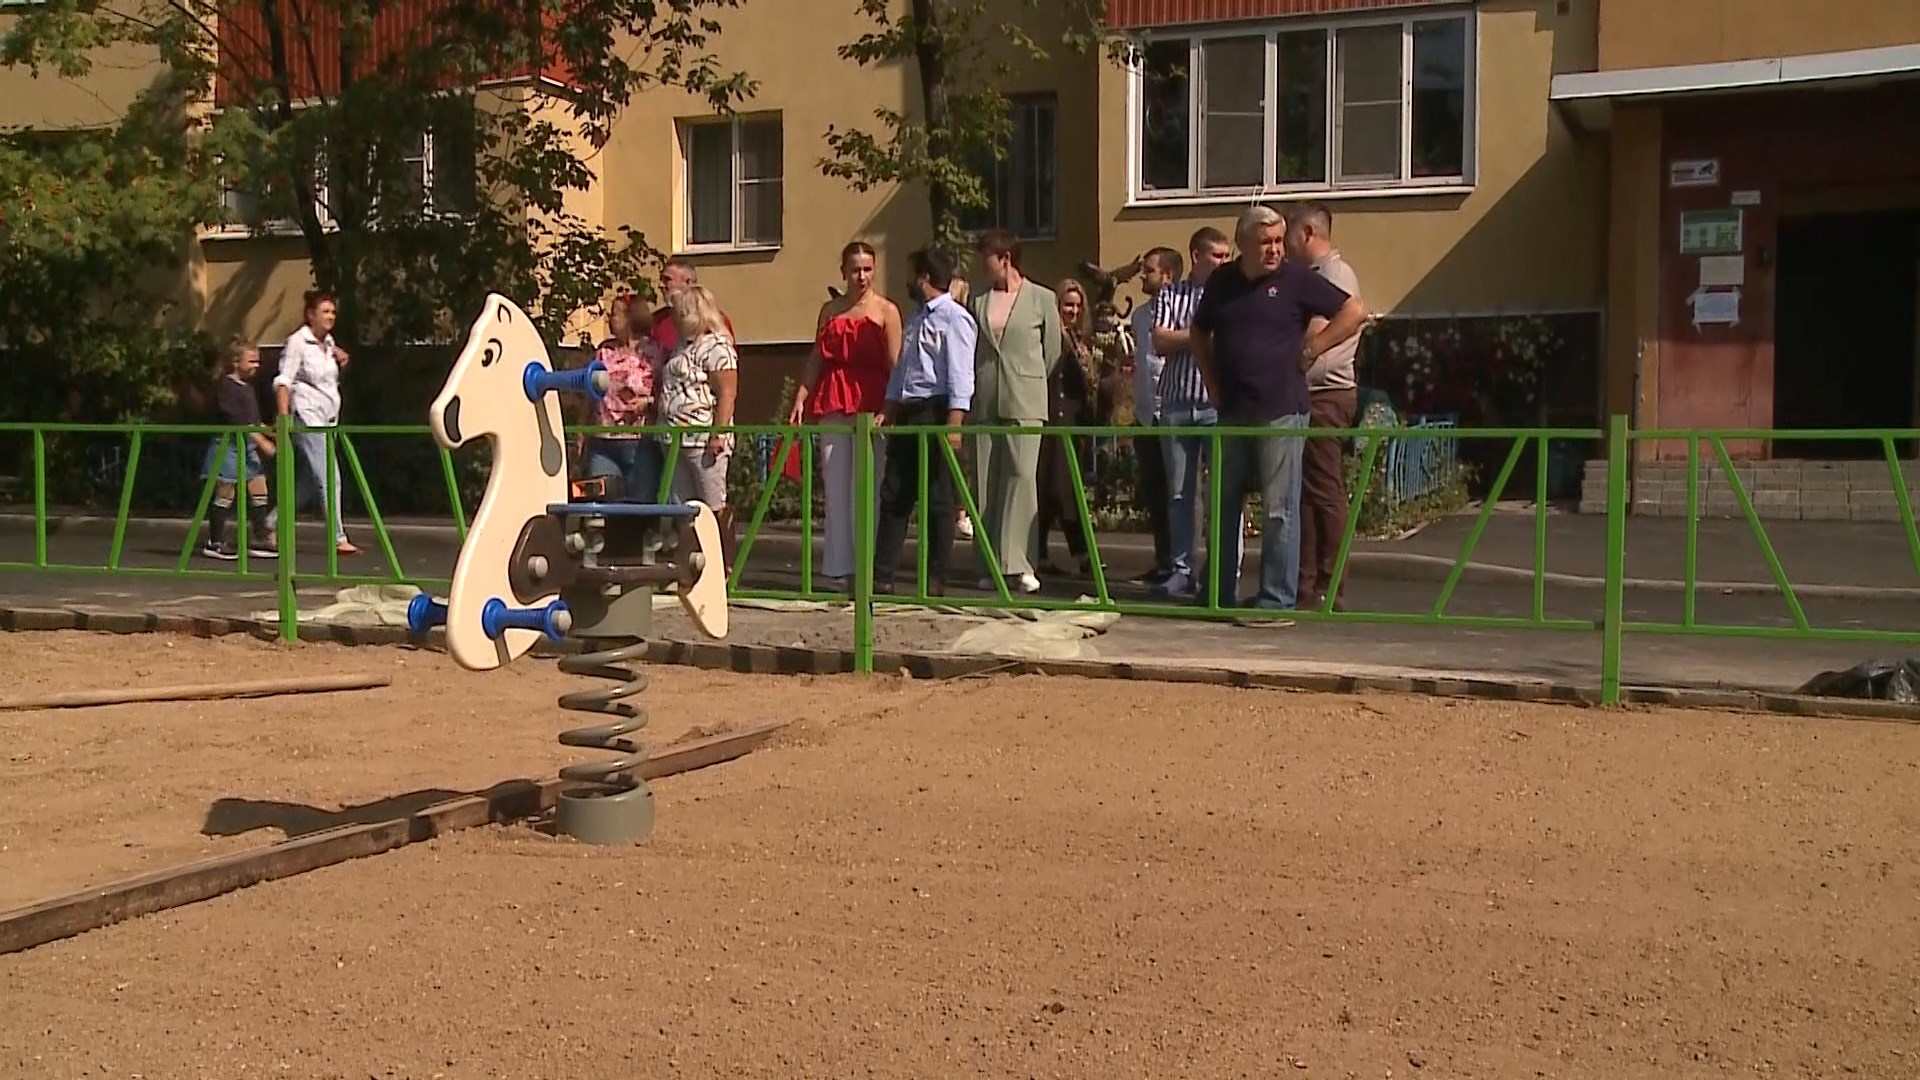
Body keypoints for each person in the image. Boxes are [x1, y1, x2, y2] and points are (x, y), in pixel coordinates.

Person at [1190, 204, 1366, 612]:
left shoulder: (1296, 279)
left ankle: (1276, 598)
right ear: (1243, 245)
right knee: (1223, 506)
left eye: (1278, 241)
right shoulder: (1223, 281)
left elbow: (1354, 311)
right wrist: (1210, 380)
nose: (1274, 250)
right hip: (1232, 408)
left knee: (1279, 510)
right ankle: (1217, 593)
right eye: (1264, 243)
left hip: (1282, 409)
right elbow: (1199, 330)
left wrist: (1315, 347)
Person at [789, 241, 903, 589]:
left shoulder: (887, 311)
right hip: (834, 397)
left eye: (867, 269)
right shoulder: (830, 310)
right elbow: (817, 357)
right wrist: (801, 396)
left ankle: (868, 565)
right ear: (843, 272)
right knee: (835, 485)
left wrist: (890, 408)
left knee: (868, 485)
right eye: (855, 270)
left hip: (873, 400)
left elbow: (896, 365)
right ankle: (839, 568)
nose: (861, 277)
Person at [872, 247, 976, 596]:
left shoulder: (954, 318)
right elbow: (903, 368)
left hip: (937, 409)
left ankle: (936, 578)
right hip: (909, 409)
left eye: (910, 274)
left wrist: (954, 422)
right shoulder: (916, 317)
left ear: (924, 277)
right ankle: (882, 576)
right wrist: (889, 406)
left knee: (938, 497)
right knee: (895, 492)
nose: (906, 281)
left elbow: (960, 373)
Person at [966, 229, 1060, 594]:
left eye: (986, 257)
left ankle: (1019, 562)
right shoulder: (978, 300)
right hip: (987, 397)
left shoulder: (1042, 298)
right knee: (986, 481)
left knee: (1021, 477)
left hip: (1025, 398)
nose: (981, 264)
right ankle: (988, 563)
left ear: (1005, 259)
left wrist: (1025, 378)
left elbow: (1051, 352)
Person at [1286, 202, 1367, 610]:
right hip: (1313, 394)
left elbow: (1318, 331)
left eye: (1286, 234)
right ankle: (1307, 585)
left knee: (1323, 489)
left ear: (1307, 233)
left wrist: (1304, 352)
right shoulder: (1317, 275)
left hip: (1325, 395)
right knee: (1308, 493)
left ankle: (1329, 585)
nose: (1281, 245)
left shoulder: (1333, 275)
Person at [1150, 226, 1232, 598]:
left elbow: (1232, 338)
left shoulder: (1231, 295)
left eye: (1227, 256)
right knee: (1181, 494)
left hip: (1217, 405)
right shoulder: (1171, 293)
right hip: (1177, 401)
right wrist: (1200, 335)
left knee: (1222, 493)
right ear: (1197, 256)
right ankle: (1182, 569)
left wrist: (1184, 334)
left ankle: (1221, 570)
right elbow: (1160, 339)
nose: (1224, 262)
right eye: (1217, 255)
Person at [267, 289, 357, 556]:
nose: (330, 316)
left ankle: (270, 523)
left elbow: (327, 375)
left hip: (328, 420)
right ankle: (338, 537)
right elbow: (283, 381)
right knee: (330, 475)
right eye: (325, 312)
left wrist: (339, 353)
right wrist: (283, 420)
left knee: (309, 482)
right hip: (307, 418)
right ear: (310, 315)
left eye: (333, 312)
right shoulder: (297, 342)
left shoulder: (327, 342)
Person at [657, 284, 741, 557]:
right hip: (674, 437)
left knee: (713, 502)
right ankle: (690, 562)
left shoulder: (718, 346)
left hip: (702, 438)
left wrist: (719, 433)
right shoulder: (682, 346)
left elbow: (727, 392)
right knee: (681, 506)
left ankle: (724, 562)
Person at [1035, 279, 1095, 576]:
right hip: (1052, 418)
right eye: (1067, 305)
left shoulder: (1078, 338)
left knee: (1058, 488)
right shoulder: (1052, 337)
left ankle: (1043, 553)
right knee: (1058, 489)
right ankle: (1081, 554)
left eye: (1077, 305)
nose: (1073, 311)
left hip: (1072, 419)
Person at [200, 338, 277, 561]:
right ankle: (215, 541)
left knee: (259, 487)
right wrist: (261, 441)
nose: (256, 365)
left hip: (247, 446)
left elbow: (253, 420)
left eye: (258, 361)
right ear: (236, 361)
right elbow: (237, 420)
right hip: (229, 445)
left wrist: (270, 432)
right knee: (226, 491)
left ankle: (260, 537)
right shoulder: (226, 386)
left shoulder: (248, 388)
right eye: (251, 361)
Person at [584, 295, 667, 501]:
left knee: (640, 503)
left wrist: (648, 403)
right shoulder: (604, 351)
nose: (609, 318)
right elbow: (590, 392)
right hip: (603, 441)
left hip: (639, 442)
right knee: (602, 501)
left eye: (614, 314)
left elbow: (666, 393)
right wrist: (583, 431)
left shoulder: (654, 352)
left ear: (630, 317)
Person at [1128, 247, 1178, 585]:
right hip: (1146, 415)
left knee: (1180, 493)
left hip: (1173, 412)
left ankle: (1182, 565)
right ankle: (1163, 562)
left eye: (1149, 270)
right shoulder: (1140, 317)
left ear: (1168, 275)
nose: (1142, 276)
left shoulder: (1185, 311)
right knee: (1155, 493)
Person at [647, 257, 736, 356]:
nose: (660, 285)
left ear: (688, 282)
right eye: (661, 279)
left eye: (667, 280)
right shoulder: (656, 320)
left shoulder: (712, 318)